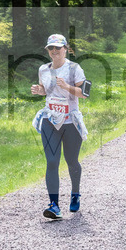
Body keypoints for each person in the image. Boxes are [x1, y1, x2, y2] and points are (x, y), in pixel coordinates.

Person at [31, 34, 88, 220]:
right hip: (50, 120)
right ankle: (54, 205)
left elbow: (84, 93)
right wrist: (39, 91)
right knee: (52, 161)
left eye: (58, 47)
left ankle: (76, 193)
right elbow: (45, 90)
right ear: (47, 50)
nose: (54, 51)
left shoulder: (74, 68)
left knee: (71, 161)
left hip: (70, 122)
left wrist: (67, 87)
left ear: (66, 49)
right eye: (51, 48)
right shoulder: (43, 69)